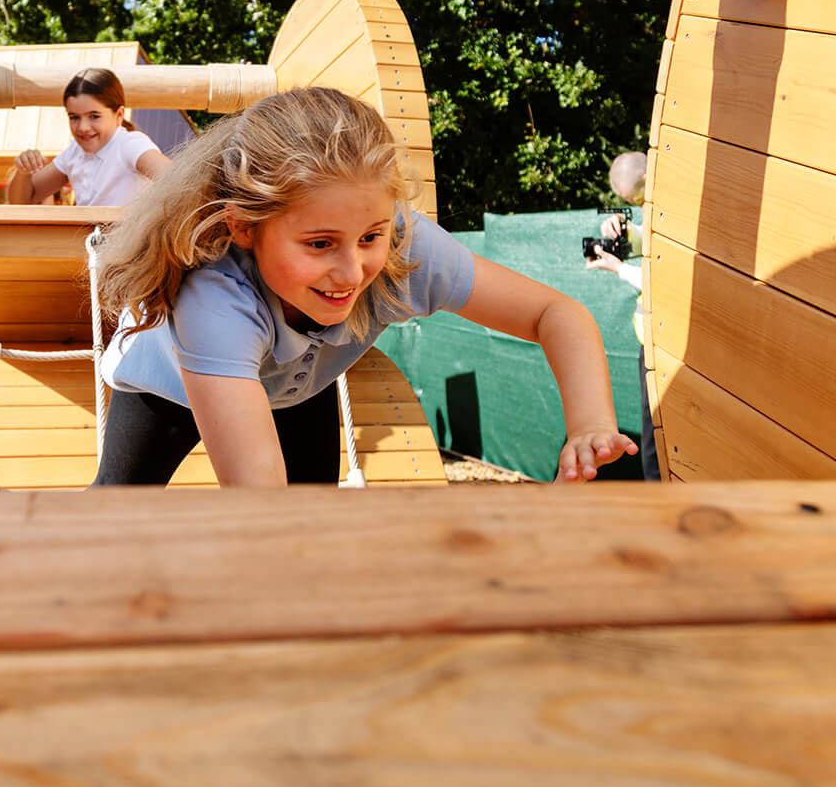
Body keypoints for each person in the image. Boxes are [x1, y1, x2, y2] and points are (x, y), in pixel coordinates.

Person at [92, 86, 637, 488]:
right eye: (320, 244)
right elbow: (260, 500)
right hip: (166, 387)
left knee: (315, 521)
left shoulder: (404, 247)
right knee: (114, 512)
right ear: (244, 228)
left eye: (370, 235)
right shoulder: (215, 299)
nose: (353, 273)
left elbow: (555, 313)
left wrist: (589, 425)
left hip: (301, 383)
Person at [585, 150, 660, 481]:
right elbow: (655, 239)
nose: (641, 206)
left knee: (656, 443)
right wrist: (625, 232)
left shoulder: (675, 203)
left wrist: (620, 270)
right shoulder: (658, 204)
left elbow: (667, 275)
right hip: (653, 344)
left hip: (666, 346)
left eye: (638, 198)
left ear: (648, 178)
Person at [7, 67, 170, 207]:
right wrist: (23, 172)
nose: (83, 128)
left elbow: (176, 179)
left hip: (129, 240)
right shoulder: (74, 153)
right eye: (74, 117)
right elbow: (23, 200)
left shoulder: (130, 144)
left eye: (94, 116)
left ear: (119, 115)